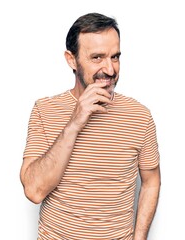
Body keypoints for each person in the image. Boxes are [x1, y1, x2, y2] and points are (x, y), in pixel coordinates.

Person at [20, 12, 161, 240]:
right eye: (97, 58)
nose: (110, 69)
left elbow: (151, 181)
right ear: (71, 59)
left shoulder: (140, 116)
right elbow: (34, 191)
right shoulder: (44, 110)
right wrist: (75, 122)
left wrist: (139, 238)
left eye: (115, 57)